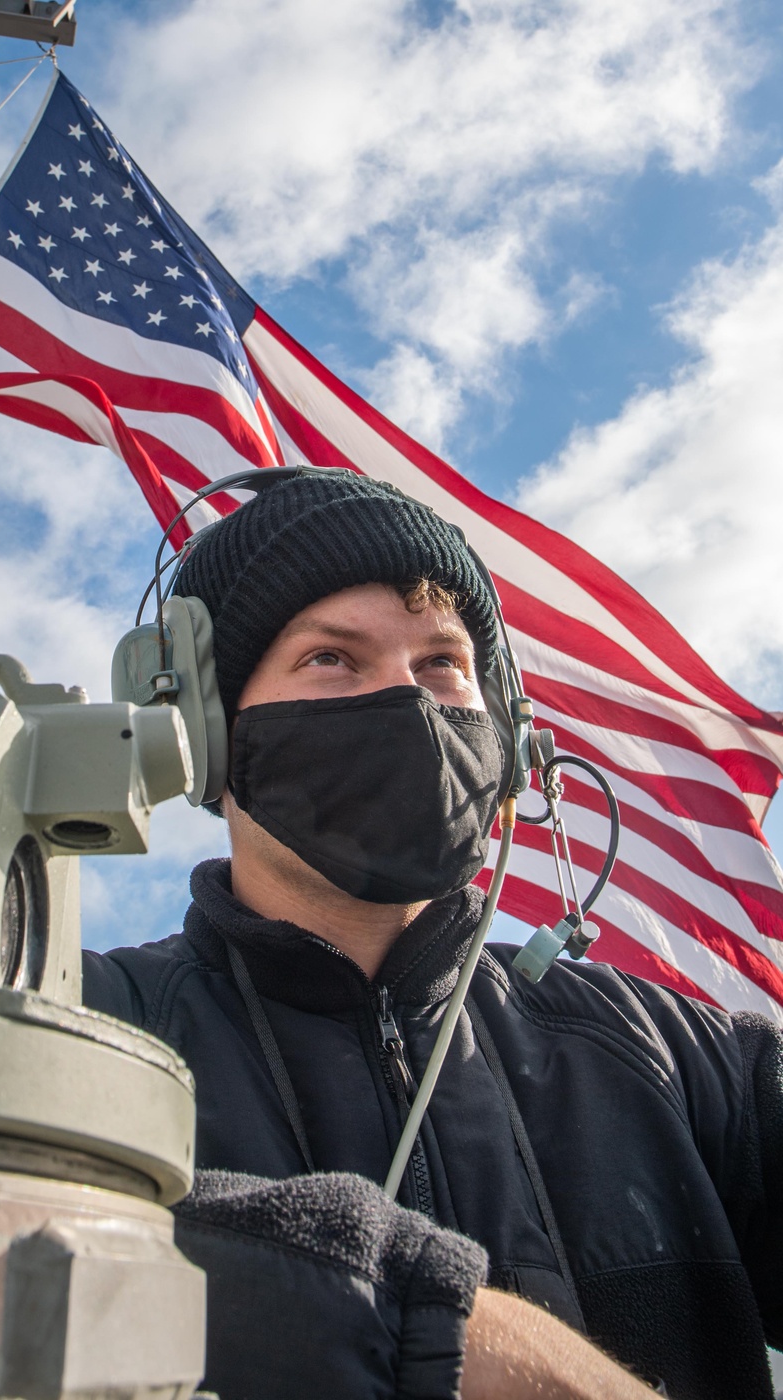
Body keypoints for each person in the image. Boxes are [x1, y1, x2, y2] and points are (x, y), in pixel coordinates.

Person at [83, 472, 783, 1400]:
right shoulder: (90, 1024)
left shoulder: (680, 1056)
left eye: (442, 665)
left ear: (505, 733)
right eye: (333, 658)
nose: (408, 701)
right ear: (204, 729)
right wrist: (433, 1329)